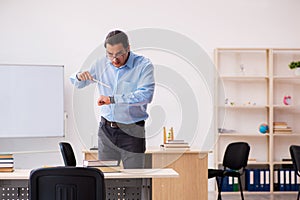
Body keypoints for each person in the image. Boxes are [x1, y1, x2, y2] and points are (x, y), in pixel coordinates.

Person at [70, 30, 155, 168]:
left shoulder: (143, 66)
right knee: (106, 180)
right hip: (106, 131)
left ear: (128, 48)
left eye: (119, 54)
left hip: (133, 132)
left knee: (134, 180)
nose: (114, 59)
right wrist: (79, 76)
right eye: (110, 54)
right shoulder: (101, 64)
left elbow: (146, 95)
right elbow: (78, 83)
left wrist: (113, 99)